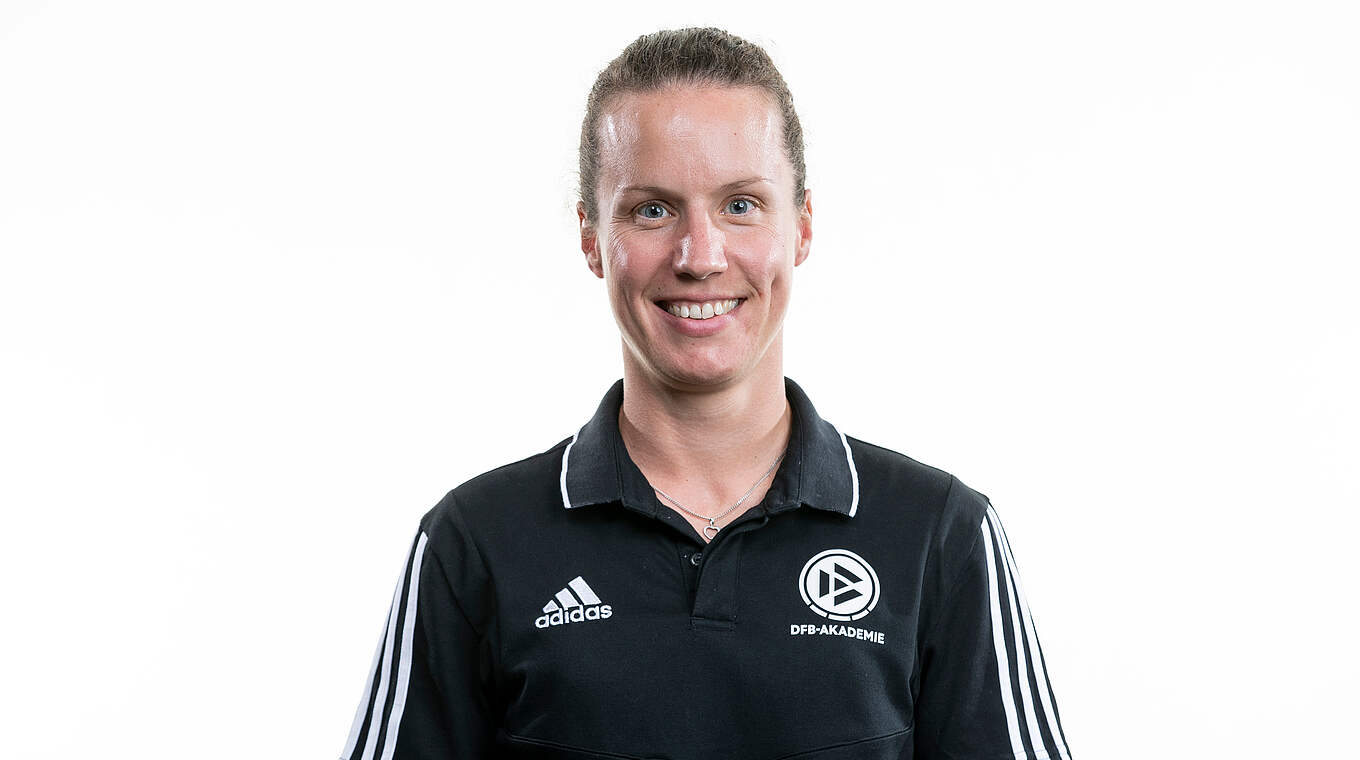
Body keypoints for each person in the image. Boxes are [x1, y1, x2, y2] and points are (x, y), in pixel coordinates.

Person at [340, 27, 1073, 760]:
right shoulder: (474, 544)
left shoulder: (939, 536)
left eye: (741, 205)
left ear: (802, 227)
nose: (700, 257)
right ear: (592, 238)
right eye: (652, 210)